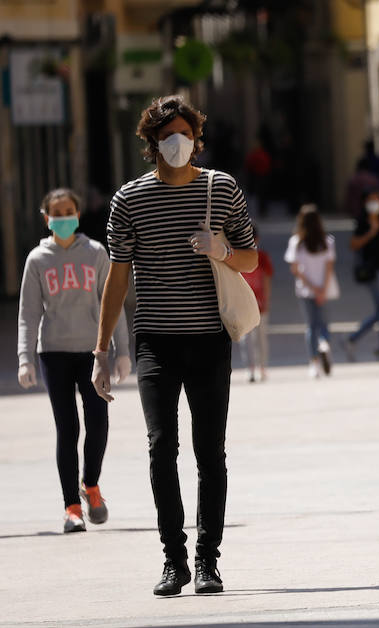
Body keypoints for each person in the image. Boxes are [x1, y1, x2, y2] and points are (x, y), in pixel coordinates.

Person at [95, 95, 259, 596]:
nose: (177, 143)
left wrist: (223, 250)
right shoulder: (130, 200)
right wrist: (102, 349)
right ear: (151, 143)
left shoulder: (222, 188)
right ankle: (174, 561)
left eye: (185, 134)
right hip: (156, 343)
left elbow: (251, 260)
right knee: (161, 447)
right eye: (167, 136)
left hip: (210, 339)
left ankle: (208, 561)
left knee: (211, 452)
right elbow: (118, 276)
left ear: (198, 139)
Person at [17, 188, 130, 533]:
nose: (63, 217)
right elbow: (28, 312)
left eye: (69, 211)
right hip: (53, 353)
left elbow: (113, 301)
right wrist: (25, 358)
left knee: (98, 422)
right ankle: (72, 508)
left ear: (78, 215)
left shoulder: (96, 253)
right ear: (46, 217)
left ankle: (91, 484)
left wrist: (121, 350)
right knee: (68, 429)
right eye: (57, 212)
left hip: (92, 351)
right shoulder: (38, 260)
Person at [285, 205, 338, 378]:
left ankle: (313, 362)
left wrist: (313, 287)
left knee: (311, 326)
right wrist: (322, 289)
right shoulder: (327, 241)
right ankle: (324, 344)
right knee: (323, 323)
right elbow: (329, 267)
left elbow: (295, 270)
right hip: (324, 289)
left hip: (305, 290)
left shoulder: (296, 243)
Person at [345, 189, 379, 361]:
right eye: (371, 199)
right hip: (369, 272)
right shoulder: (362, 222)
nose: (375, 202)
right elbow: (353, 244)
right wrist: (371, 232)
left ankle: (353, 339)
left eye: (378, 198)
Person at [239, 226, 274, 383]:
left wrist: (266, 299)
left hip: (258, 301)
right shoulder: (238, 256)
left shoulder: (262, 257)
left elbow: (267, 279)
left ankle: (262, 367)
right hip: (244, 302)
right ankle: (251, 368)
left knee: (258, 338)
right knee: (248, 338)